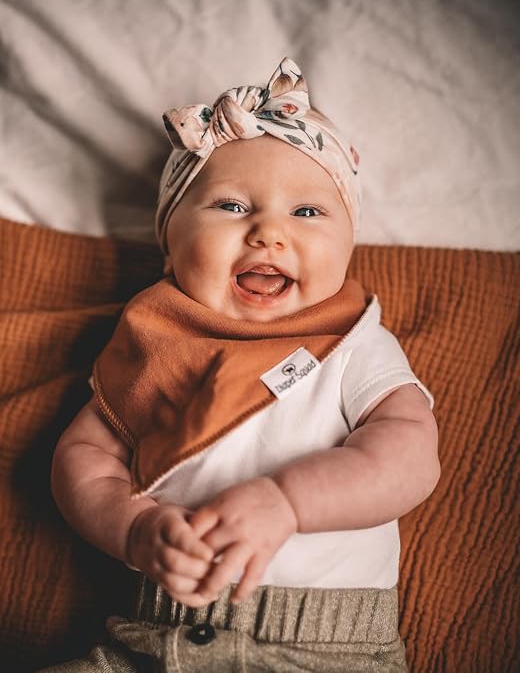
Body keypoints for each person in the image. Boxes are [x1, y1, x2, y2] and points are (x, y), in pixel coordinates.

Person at [41, 57, 439, 672]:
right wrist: (134, 529)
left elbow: (410, 457)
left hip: (327, 650)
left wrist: (289, 502)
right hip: (153, 637)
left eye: (307, 213)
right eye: (230, 206)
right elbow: (83, 458)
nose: (268, 233)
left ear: (348, 244)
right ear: (170, 245)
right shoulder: (154, 341)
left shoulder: (353, 343)